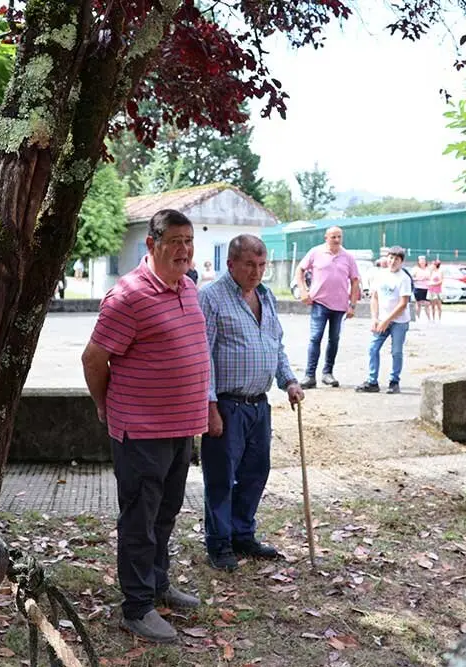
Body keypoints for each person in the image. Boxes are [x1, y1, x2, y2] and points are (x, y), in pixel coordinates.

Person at [81, 209, 207, 643]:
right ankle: (136, 607)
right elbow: (93, 359)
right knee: (139, 520)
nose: (184, 250)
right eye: (175, 241)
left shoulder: (187, 287)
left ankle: (157, 585)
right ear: (151, 244)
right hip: (141, 432)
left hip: (180, 429)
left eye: (189, 241)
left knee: (165, 514)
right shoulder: (128, 296)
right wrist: (105, 405)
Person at [199, 235, 304, 572]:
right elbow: (203, 357)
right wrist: (210, 406)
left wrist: (289, 381)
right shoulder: (211, 297)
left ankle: (242, 534)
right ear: (231, 264)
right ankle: (219, 543)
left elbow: (275, 344)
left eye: (261, 265)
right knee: (221, 478)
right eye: (249, 264)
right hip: (226, 404)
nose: (256, 272)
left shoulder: (266, 296)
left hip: (259, 405)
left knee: (255, 473)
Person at [295, 226, 360, 389]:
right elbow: (300, 270)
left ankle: (327, 373)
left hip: (340, 306)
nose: (337, 240)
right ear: (326, 238)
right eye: (333, 237)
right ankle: (310, 375)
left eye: (339, 237)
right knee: (315, 337)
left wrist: (352, 305)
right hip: (319, 303)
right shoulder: (315, 252)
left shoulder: (348, 257)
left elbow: (355, 281)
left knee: (334, 339)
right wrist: (303, 290)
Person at [356, 246, 412, 394]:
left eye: (396, 259)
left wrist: (387, 320)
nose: (393, 261)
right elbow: (374, 297)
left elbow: (403, 304)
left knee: (396, 351)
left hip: (398, 321)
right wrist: (375, 318)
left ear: (401, 262)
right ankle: (372, 381)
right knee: (373, 348)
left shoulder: (404, 278)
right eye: (391, 258)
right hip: (381, 319)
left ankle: (394, 381)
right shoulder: (380, 275)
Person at [411, 256, 431, 321]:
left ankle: (429, 319)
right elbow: (411, 278)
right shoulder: (415, 269)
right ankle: (418, 318)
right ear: (418, 262)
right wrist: (419, 279)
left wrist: (428, 279)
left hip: (427, 288)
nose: (422, 262)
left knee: (427, 304)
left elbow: (432, 277)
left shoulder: (428, 269)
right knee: (418, 303)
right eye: (421, 261)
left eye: (423, 261)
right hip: (418, 288)